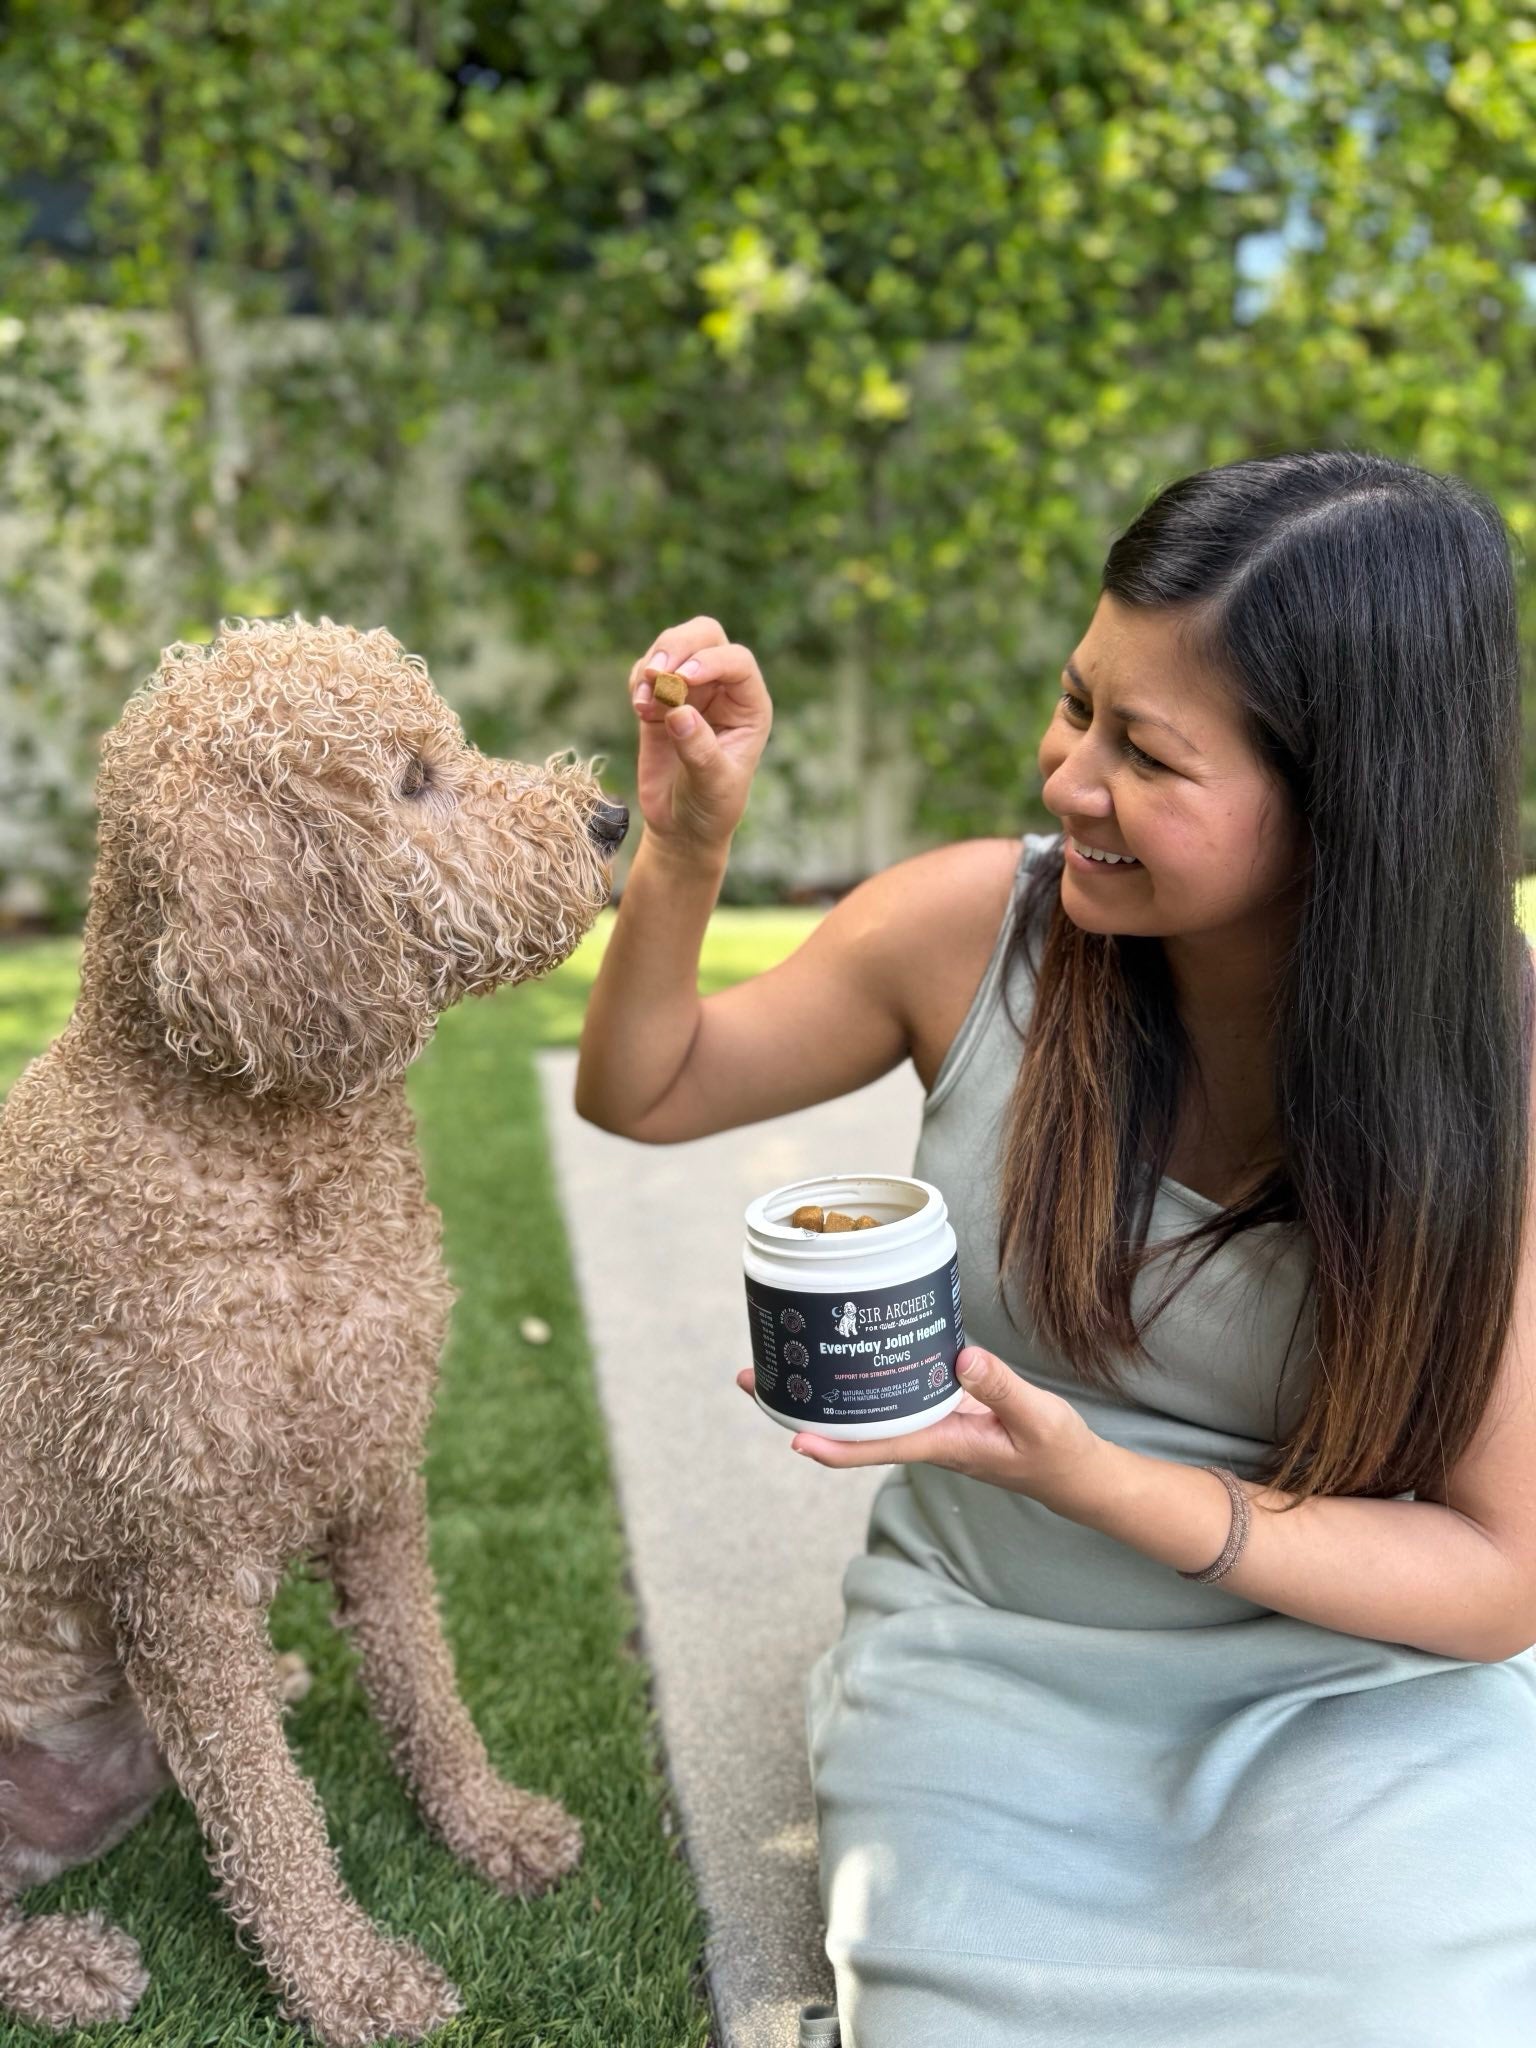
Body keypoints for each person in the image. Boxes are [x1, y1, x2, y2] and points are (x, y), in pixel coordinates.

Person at [573, 450, 1536, 2047]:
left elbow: (1501, 1577)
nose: (1067, 777)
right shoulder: (971, 931)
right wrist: (683, 849)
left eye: (1146, 752)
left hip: (1346, 1676)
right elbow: (647, 1090)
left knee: (1409, 2012)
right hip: (990, 1644)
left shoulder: (1493, 1075)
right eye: (1079, 703)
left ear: (1346, 806)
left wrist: (1094, 1477)